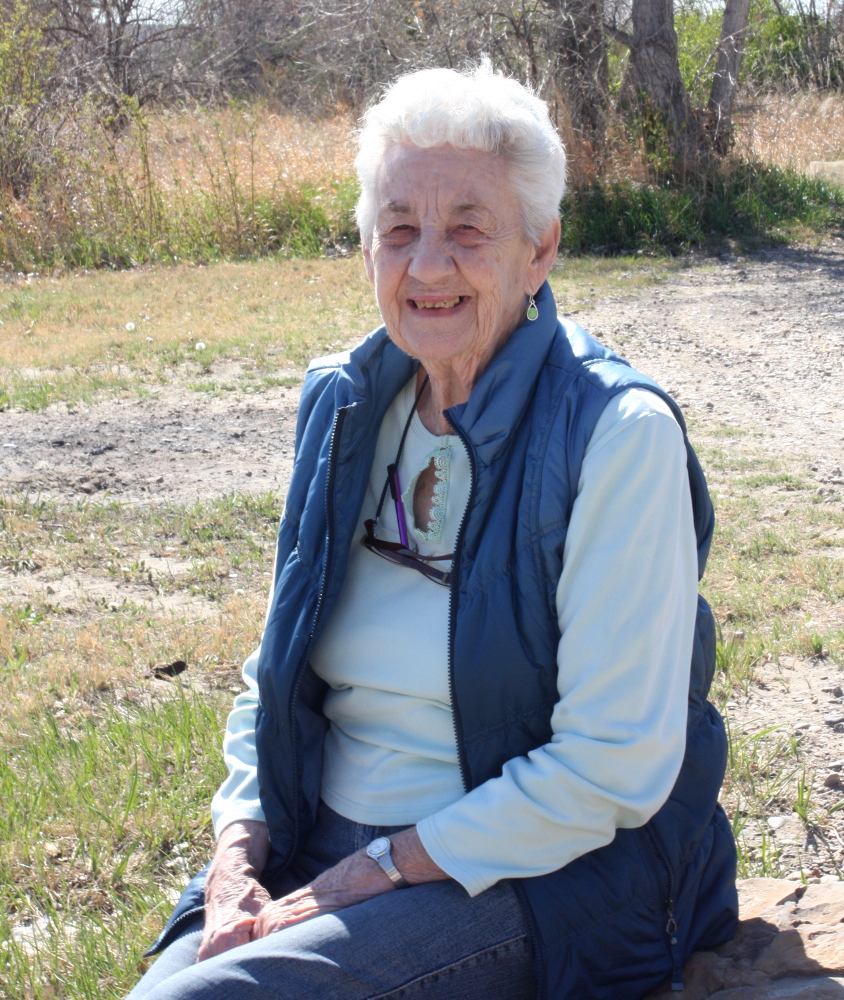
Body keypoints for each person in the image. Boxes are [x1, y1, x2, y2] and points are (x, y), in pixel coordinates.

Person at [127, 62, 737, 1000]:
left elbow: (612, 766)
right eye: (400, 229)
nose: (428, 266)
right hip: (322, 840)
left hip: (532, 873)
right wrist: (239, 848)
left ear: (540, 249)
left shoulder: (617, 433)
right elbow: (274, 671)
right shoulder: (345, 402)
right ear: (366, 249)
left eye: (469, 229)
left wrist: (384, 868)